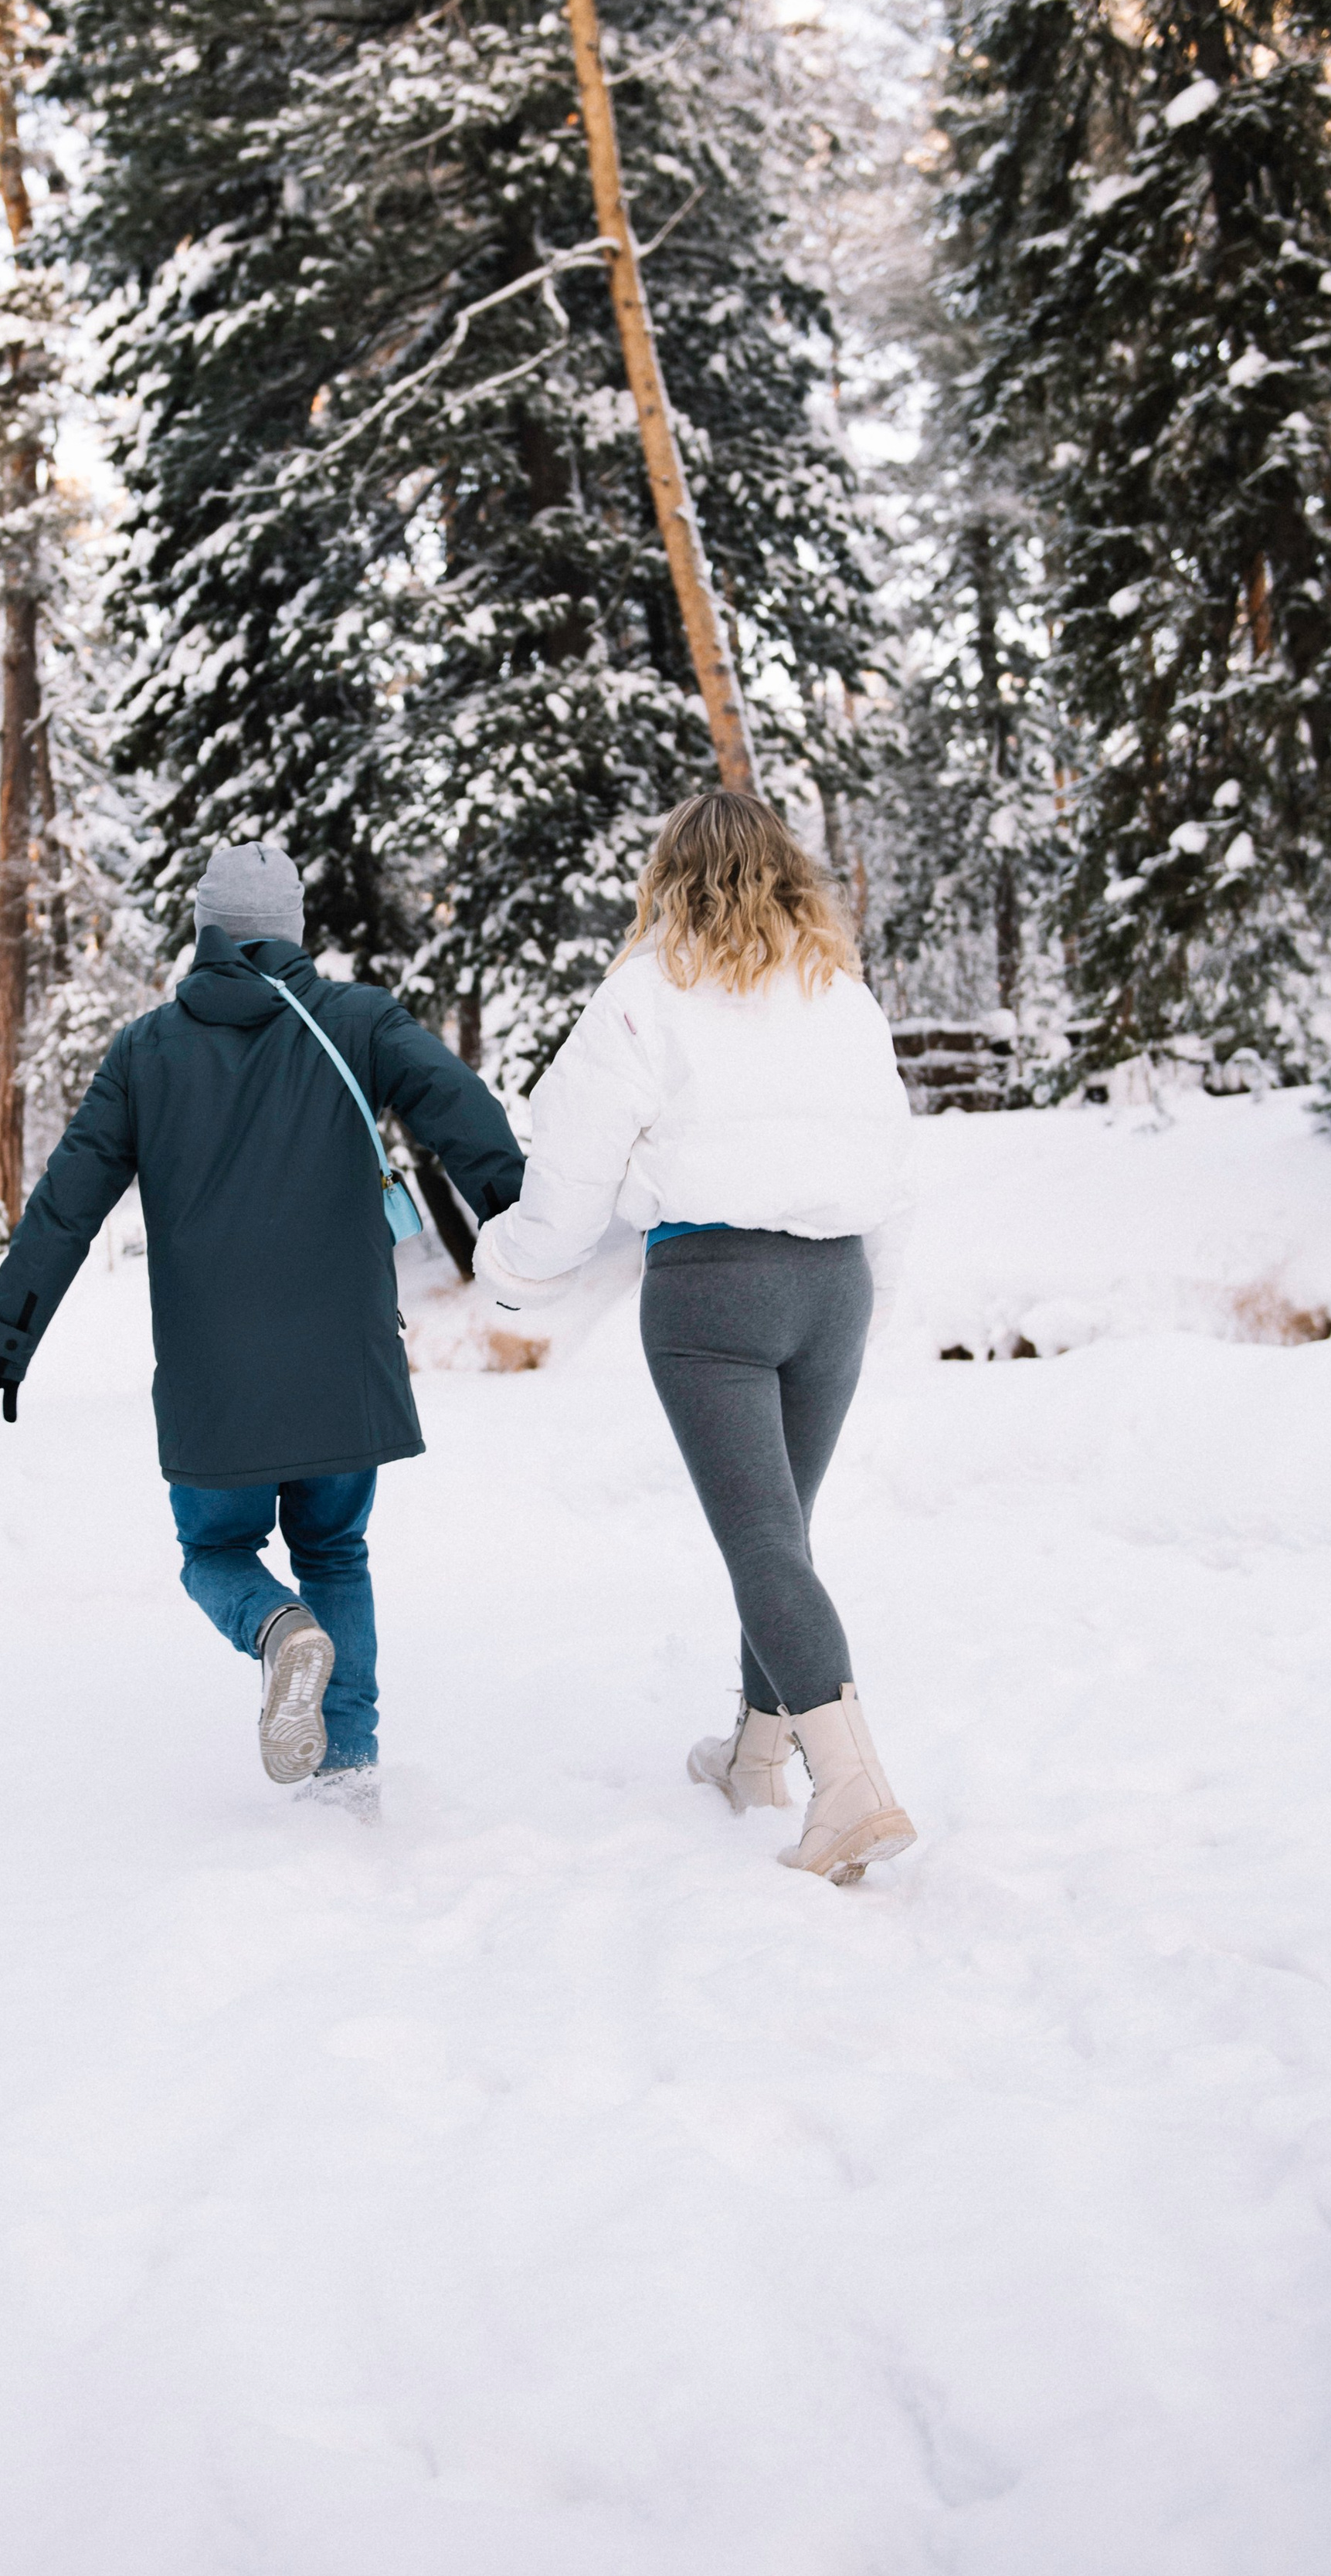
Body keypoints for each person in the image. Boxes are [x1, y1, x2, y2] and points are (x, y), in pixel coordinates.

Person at [0, 842, 525, 1814]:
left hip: (213, 1380)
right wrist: (520, 1226)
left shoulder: (146, 1051)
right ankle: (345, 1767)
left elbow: (66, 1205)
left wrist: (1, 1343)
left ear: (206, 931)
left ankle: (274, 1631)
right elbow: (460, 1110)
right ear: (293, 929)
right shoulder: (359, 1020)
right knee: (335, 1550)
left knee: (216, 1553)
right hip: (342, 1362)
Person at [473, 791, 918, 1885]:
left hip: (714, 1295)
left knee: (762, 1541)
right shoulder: (840, 995)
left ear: (668, 876)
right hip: (836, 1284)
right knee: (780, 1535)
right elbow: (895, 1169)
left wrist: (514, 1270)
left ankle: (850, 1786)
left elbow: (573, 1173)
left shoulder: (644, 991)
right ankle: (754, 1755)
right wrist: (873, 1301)